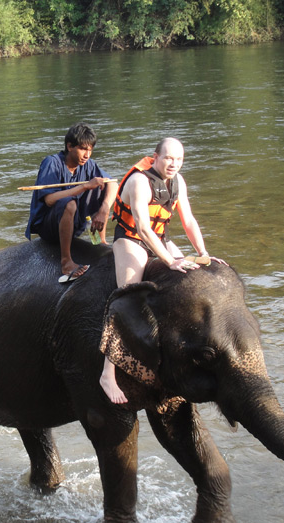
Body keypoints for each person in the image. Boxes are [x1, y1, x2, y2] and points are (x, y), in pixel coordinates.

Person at [99, 137, 226, 404]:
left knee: (192, 279)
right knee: (128, 298)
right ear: (155, 157)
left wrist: (203, 254)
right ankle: (107, 373)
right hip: (131, 239)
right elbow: (143, 228)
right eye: (168, 158)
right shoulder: (139, 182)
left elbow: (188, 219)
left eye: (178, 159)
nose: (173, 164)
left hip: (161, 237)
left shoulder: (178, 182)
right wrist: (170, 261)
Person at [25, 122, 118, 283]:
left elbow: (113, 183)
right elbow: (49, 199)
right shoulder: (52, 163)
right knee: (70, 203)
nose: (87, 155)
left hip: (74, 223)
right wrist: (83, 187)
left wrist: (104, 210)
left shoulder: (89, 165)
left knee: (101, 187)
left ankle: (100, 241)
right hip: (50, 226)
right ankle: (66, 261)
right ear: (69, 146)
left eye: (90, 149)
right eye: (82, 149)